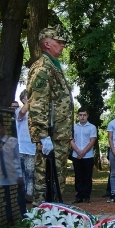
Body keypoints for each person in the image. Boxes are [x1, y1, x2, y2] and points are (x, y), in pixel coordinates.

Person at [26, 25, 74, 204]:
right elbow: (38, 103)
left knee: (57, 178)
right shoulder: (43, 68)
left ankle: (55, 214)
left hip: (59, 135)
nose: (62, 45)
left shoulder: (54, 67)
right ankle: (41, 218)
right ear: (47, 43)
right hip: (51, 136)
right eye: (59, 42)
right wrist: (43, 136)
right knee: (44, 179)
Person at [0, 119, 25, 220]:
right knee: (5, 204)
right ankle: (9, 223)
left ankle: (24, 220)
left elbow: (19, 158)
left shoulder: (13, 141)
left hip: (14, 177)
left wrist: (21, 175)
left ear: (3, 128)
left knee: (19, 202)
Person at [70, 107, 97, 204]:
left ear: (87, 116)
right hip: (76, 155)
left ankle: (86, 195)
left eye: (84, 115)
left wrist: (83, 152)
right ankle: (79, 195)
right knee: (78, 176)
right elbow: (71, 140)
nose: (82, 117)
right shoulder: (74, 127)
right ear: (78, 116)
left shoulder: (92, 127)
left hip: (88, 156)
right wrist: (78, 151)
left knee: (87, 176)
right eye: (80, 115)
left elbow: (92, 141)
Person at [14, 90, 36, 205]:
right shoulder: (18, 111)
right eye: (29, 96)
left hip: (32, 149)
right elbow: (22, 113)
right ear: (23, 99)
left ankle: (29, 194)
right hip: (21, 148)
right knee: (21, 174)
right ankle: (21, 194)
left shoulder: (35, 113)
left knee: (30, 173)